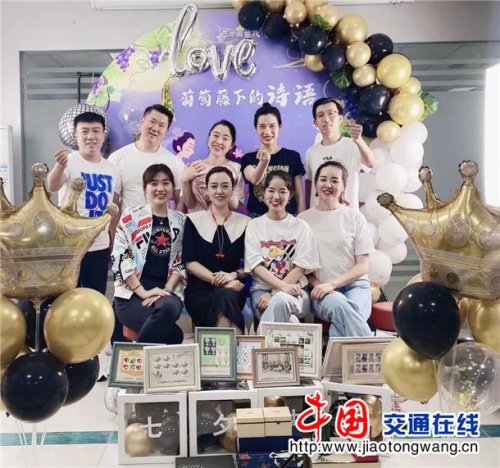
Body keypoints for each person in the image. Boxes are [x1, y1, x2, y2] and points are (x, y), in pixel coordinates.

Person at [111, 164, 186, 344]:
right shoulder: (131, 216)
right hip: (132, 294)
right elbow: (121, 257)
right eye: (154, 183)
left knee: (169, 307)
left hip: (166, 293)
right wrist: (143, 292)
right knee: (174, 335)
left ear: (172, 188)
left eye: (166, 183)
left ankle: (136, 356)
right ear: (145, 188)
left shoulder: (181, 220)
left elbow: (181, 263)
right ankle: (143, 357)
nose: (160, 188)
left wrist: (165, 291)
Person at [46, 111, 119, 295]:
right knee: (67, 296)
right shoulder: (69, 162)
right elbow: (52, 186)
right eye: (84, 131)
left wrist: (113, 238)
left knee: (95, 296)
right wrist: (59, 166)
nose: (90, 136)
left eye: (96, 131)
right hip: (70, 245)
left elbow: (113, 205)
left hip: (100, 244)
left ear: (103, 135)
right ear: (76, 135)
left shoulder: (111, 168)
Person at [298, 161, 374, 337]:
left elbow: (363, 266)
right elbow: (301, 266)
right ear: (316, 183)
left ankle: (348, 355)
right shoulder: (303, 220)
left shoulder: (355, 217)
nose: (328, 185)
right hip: (320, 290)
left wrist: (333, 284)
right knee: (339, 305)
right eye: (323, 179)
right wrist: (319, 285)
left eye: (334, 180)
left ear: (343, 186)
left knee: (338, 332)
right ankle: (375, 350)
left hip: (356, 286)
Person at [245, 170, 320, 324]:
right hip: (261, 291)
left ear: (290, 195)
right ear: (264, 193)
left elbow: (300, 268)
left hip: (296, 291)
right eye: (271, 190)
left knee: (280, 301)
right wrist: (279, 289)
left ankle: (262, 339)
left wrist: (275, 293)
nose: (276, 196)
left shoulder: (301, 227)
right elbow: (256, 266)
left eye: (282, 191)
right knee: (290, 321)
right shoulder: (254, 225)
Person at [182, 166, 250, 334]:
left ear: (233, 189)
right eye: (214, 186)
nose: (219, 191)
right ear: (206, 190)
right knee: (224, 299)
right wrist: (220, 280)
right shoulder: (193, 220)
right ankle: (237, 344)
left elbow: (251, 264)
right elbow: (190, 262)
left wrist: (232, 276)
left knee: (225, 296)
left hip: (233, 285)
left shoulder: (245, 222)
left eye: (225, 186)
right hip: (199, 289)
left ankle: (221, 348)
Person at [108, 104, 185, 211]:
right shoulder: (117, 157)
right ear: (142, 121)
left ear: (166, 131)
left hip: (163, 221)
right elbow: (113, 203)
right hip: (129, 221)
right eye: (152, 121)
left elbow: (181, 201)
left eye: (161, 125)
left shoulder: (175, 162)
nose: (155, 128)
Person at [305, 98, 375, 210]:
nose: (326, 119)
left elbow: (370, 163)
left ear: (340, 119)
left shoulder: (353, 145)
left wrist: (359, 140)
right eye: (321, 115)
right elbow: (309, 182)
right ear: (315, 123)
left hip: (347, 214)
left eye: (331, 113)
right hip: (319, 215)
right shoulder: (311, 152)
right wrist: (308, 210)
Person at [241, 103, 305, 217]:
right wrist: (264, 161)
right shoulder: (248, 158)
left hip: (287, 217)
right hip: (257, 218)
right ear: (255, 129)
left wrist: (302, 220)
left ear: (280, 127)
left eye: (272, 126)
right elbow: (254, 179)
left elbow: (299, 195)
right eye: (262, 126)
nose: (267, 131)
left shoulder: (293, 156)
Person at [180, 120, 245, 212]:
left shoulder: (235, 168)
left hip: (224, 220)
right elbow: (190, 205)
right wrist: (184, 181)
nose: (219, 141)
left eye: (225, 138)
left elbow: (234, 206)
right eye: (215, 135)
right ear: (209, 137)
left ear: (231, 145)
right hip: (196, 220)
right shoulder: (194, 166)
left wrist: (226, 186)